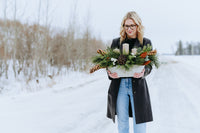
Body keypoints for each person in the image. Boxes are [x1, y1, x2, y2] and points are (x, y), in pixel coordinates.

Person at [106, 11, 153, 133]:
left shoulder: (145, 43)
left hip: (138, 85)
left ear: (138, 26)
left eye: (132, 25)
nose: (129, 29)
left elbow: (150, 65)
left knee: (140, 125)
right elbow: (109, 63)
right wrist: (110, 73)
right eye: (126, 26)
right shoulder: (116, 42)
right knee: (122, 124)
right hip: (120, 85)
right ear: (123, 26)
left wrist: (144, 72)